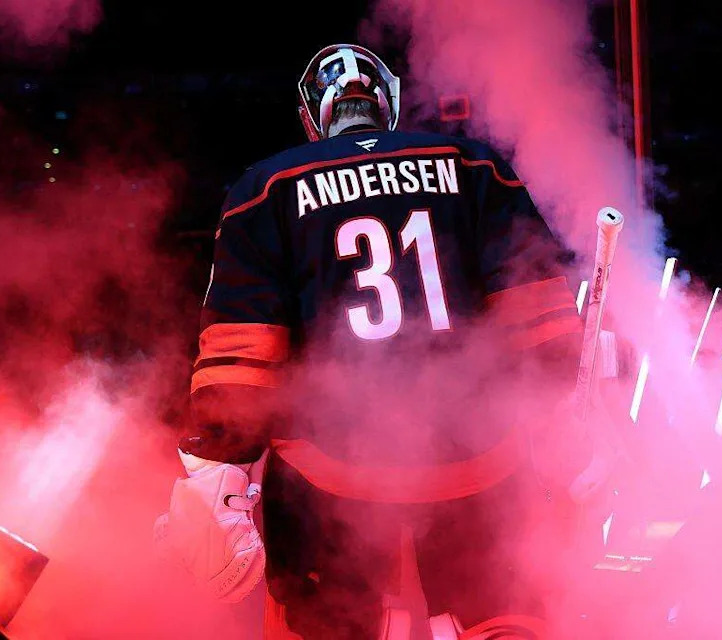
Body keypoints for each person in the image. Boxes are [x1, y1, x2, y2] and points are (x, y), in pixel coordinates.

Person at [156, 44, 593, 639]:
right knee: (505, 621)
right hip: (480, 460)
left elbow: (243, 353)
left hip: (329, 475)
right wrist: (566, 408)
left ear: (312, 115)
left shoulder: (266, 187)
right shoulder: (472, 164)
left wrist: (217, 468)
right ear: (387, 104)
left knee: (323, 625)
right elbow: (538, 310)